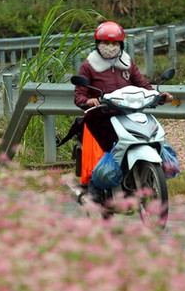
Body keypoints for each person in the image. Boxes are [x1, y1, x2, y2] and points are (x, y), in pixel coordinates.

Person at [73, 21, 174, 197]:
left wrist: (158, 96)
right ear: (97, 44)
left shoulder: (127, 64)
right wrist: (89, 101)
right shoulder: (88, 66)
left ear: (121, 44)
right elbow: (79, 96)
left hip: (127, 113)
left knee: (148, 135)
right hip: (101, 116)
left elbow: (143, 86)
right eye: (105, 43)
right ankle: (96, 188)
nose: (110, 47)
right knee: (110, 147)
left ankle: (143, 172)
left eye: (114, 43)